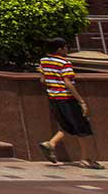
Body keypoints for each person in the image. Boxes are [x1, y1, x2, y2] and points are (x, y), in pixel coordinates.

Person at [39, 37, 101, 167]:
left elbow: (43, 80)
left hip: (54, 99)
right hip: (67, 99)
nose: (67, 49)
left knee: (67, 126)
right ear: (59, 49)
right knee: (81, 128)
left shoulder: (43, 61)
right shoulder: (64, 63)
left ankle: (51, 144)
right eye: (66, 47)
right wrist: (81, 101)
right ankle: (85, 159)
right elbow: (67, 82)